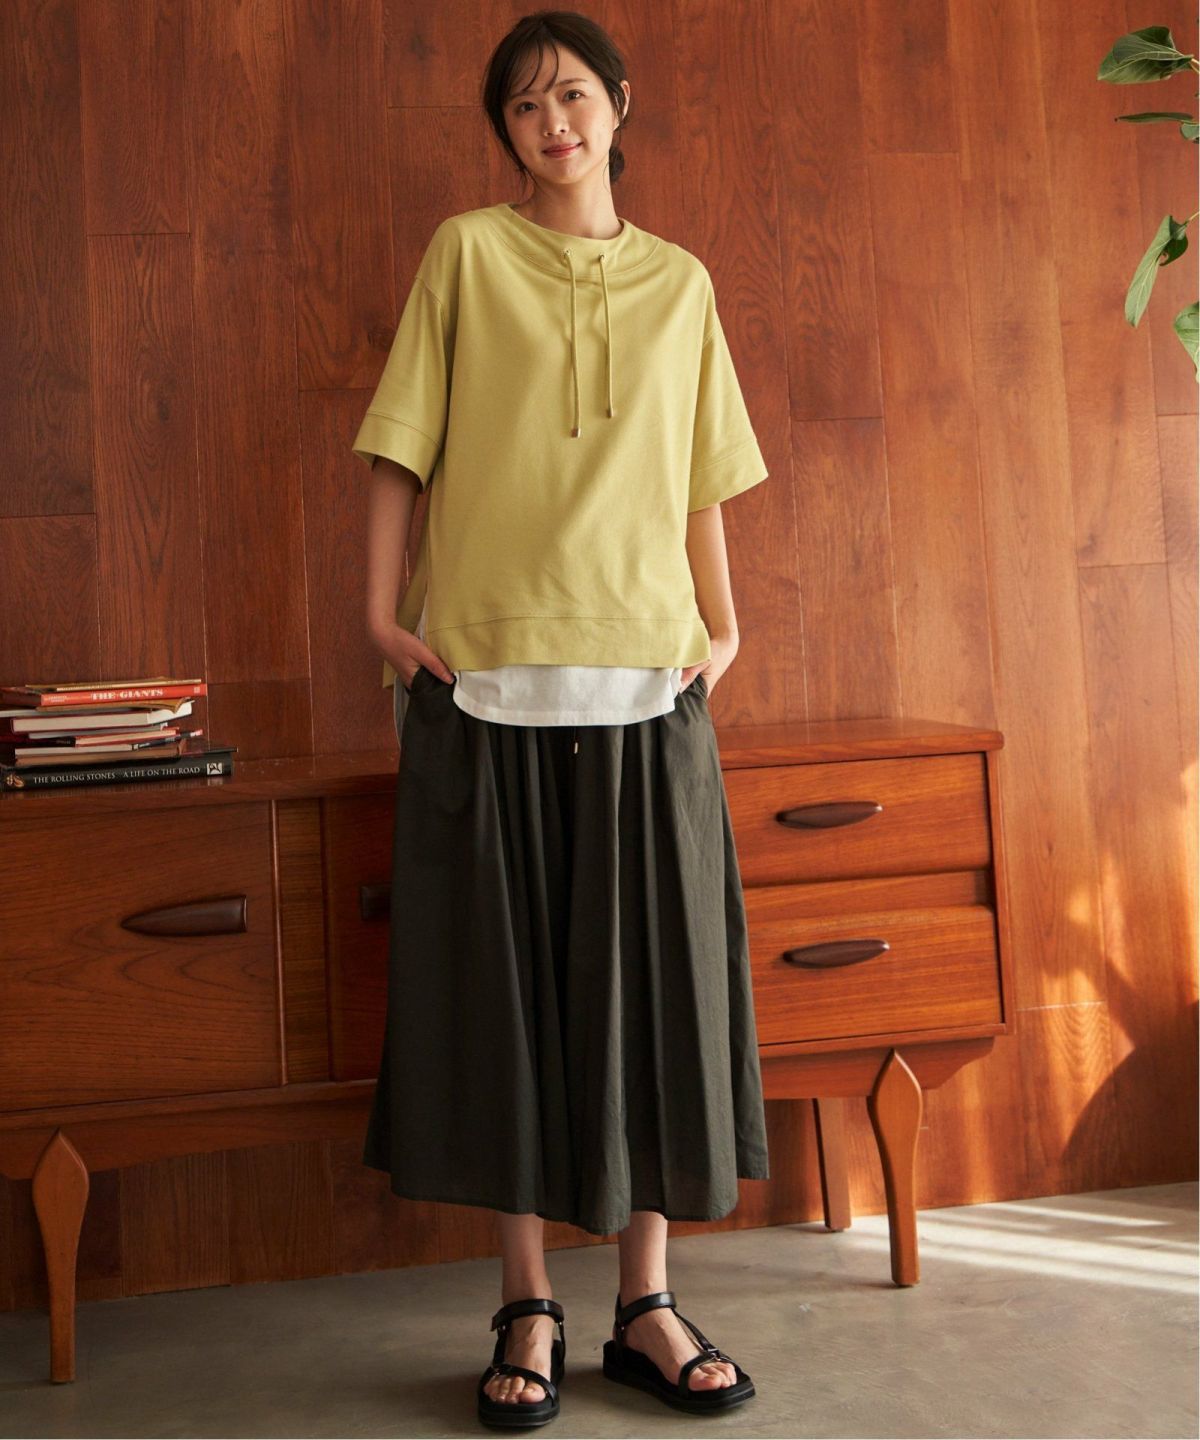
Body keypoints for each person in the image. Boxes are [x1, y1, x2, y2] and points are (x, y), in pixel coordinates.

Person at [353, 10, 771, 1428]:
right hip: (484, 680)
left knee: (655, 995)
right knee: (507, 1003)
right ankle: (527, 1303)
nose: (555, 123)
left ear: (619, 104)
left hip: (651, 681)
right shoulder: (466, 257)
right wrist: (378, 616)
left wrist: (726, 626)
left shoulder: (682, 283)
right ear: (506, 132)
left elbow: (701, 477)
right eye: (525, 106)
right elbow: (400, 447)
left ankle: (645, 1303)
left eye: (575, 95)